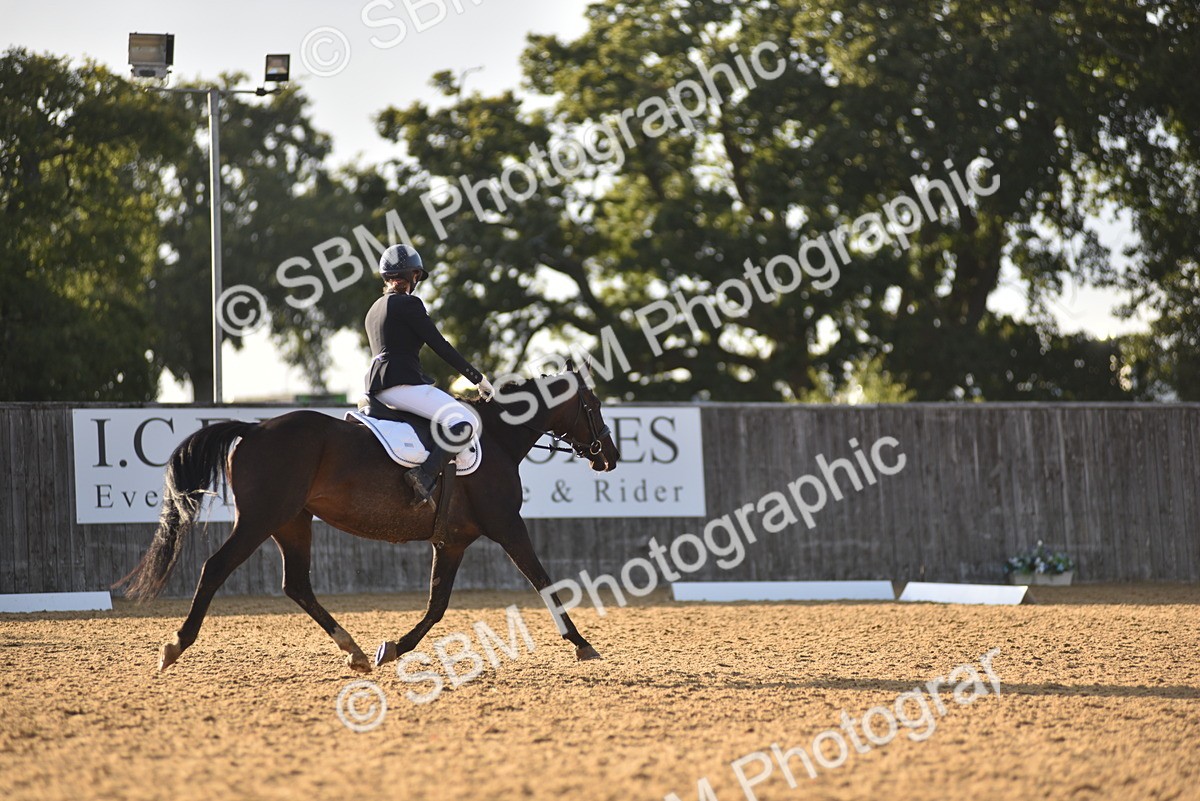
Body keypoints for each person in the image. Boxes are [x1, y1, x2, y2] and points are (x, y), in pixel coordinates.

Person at [364, 244, 495, 509]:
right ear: (412, 276)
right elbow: (440, 344)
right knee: (464, 423)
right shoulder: (409, 304)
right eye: (415, 276)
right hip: (401, 384)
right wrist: (477, 378)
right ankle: (423, 476)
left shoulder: (374, 309)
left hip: (376, 387)